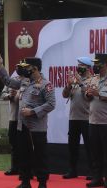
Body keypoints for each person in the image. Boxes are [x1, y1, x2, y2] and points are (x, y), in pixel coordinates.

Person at [0, 55, 56, 188]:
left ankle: (42, 182)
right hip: (22, 126)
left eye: (26, 67)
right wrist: (0, 66)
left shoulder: (46, 84)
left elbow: (51, 104)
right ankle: (25, 181)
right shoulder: (24, 82)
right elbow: (8, 82)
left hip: (37, 128)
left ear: (34, 68)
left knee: (40, 155)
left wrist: (33, 111)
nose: (24, 69)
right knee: (24, 154)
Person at [62, 57, 93, 180]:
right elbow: (65, 95)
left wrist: (81, 83)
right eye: (78, 65)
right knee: (72, 145)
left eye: (81, 65)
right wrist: (69, 85)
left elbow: (88, 97)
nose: (78, 67)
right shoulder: (74, 81)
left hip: (87, 118)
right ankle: (72, 170)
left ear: (87, 67)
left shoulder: (92, 80)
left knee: (89, 146)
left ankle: (92, 171)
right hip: (73, 118)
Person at [85, 53, 107, 188]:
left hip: (105, 122)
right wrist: (88, 94)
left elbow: (101, 96)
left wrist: (98, 94)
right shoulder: (94, 79)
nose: (95, 66)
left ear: (105, 64)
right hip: (93, 121)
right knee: (96, 153)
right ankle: (97, 178)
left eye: (98, 64)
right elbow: (88, 97)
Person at [1, 63, 27, 176]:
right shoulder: (12, 80)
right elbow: (2, 94)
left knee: (23, 144)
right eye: (17, 66)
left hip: (24, 118)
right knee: (13, 143)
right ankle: (14, 167)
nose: (18, 68)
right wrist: (9, 96)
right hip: (13, 117)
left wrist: (18, 94)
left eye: (21, 66)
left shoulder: (28, 80)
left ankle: (24, 168)